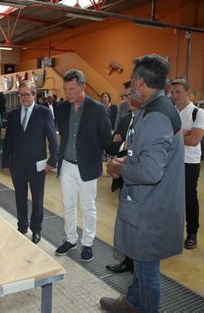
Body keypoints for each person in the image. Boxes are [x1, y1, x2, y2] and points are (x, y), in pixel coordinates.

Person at [100, 54, 185, 313]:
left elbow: (150, 172)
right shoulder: (154, 108)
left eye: (133, 80)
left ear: (140, 82)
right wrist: (126, 162)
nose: (131, 87)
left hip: (151, 207)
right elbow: (147, 156)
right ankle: (132, 303)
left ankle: (144, 307)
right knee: (139, 260)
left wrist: (120, 169)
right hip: (147, 202)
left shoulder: (157, 116)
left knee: (147, 267)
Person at [54, 69, 111, 262]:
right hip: (67, 166)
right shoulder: (61, 109)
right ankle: (70, 239)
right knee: (68, 205)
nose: (67, 93)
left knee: (88, 207)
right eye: (65, 89)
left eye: (71, 89)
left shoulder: (97, 109)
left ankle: (88, 243)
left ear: (82, 87)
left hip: (87, 166)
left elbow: (105, 138)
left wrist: (117, 152)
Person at [2, 80, 58, 244]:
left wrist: (53, 160)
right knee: (20, 196)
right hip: (18, 164)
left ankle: (36, 229)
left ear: (34, 94)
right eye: (21, 94)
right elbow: (9, 140)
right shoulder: (12, 115)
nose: (23, 98)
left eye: (27, 94)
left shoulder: (44, 113)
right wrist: (6, 162)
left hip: (37, 165)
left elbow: (52, 137)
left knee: (37, 198)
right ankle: (22, 226)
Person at [103, 80, 137, 274]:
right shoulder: (125, 118)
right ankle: (128, 261)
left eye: (129, 95)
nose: (125, 100)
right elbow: (109, 145)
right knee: (126, 222)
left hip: (139, 179)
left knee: (135, 224)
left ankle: (136, 263)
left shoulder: (149, 120)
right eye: (123, 96)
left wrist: (122, 144)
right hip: (123, 176)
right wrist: (124, 145)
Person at [171, 78, 204, 249]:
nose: (174, 95)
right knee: (170, 198)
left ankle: (192, 232)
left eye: (178, 92)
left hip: (189, 162)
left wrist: (176, 134)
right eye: (172, 92)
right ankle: (171, 231)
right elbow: (162, 136)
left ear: (188, 92)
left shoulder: (198, 113)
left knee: (189, 198)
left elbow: (194, 140)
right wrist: (183, 133)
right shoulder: (170, 112)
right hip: (171, 161)